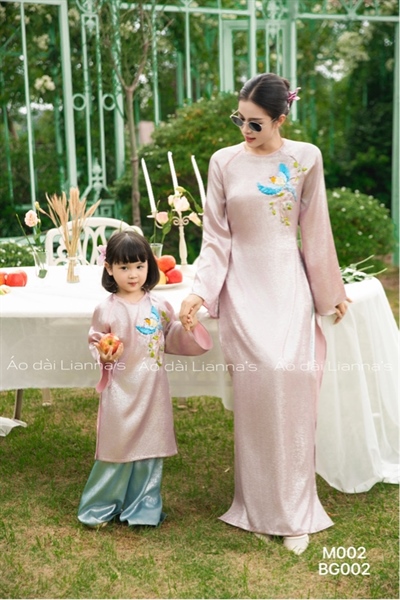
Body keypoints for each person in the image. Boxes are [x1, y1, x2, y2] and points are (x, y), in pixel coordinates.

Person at [179, 73, 350, 555]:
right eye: (240, 119)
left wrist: (329, 291)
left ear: (280, 118)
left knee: (290, 378)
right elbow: (216, 237)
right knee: (258, 390)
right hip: (242, 287)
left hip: (287, 283)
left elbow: (315, 228)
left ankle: (294, 509)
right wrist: (200, 292)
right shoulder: (223, 162)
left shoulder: (305, 157)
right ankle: (256, 506)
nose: (245, 130)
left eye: (255, 123)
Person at [78, 230, 212, 528]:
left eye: (139, 266)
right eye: (124, 267)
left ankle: (143, 509)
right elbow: (96, 341)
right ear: (109, 268)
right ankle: (99, 506)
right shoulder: (106, 309)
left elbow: (170, 337)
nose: (133, 274)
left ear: (149, 266)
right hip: (120, 389)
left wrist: (188, 327)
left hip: (152, 389)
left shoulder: (159, 306)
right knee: (116, 448)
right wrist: (104, 354)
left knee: (150, 448)